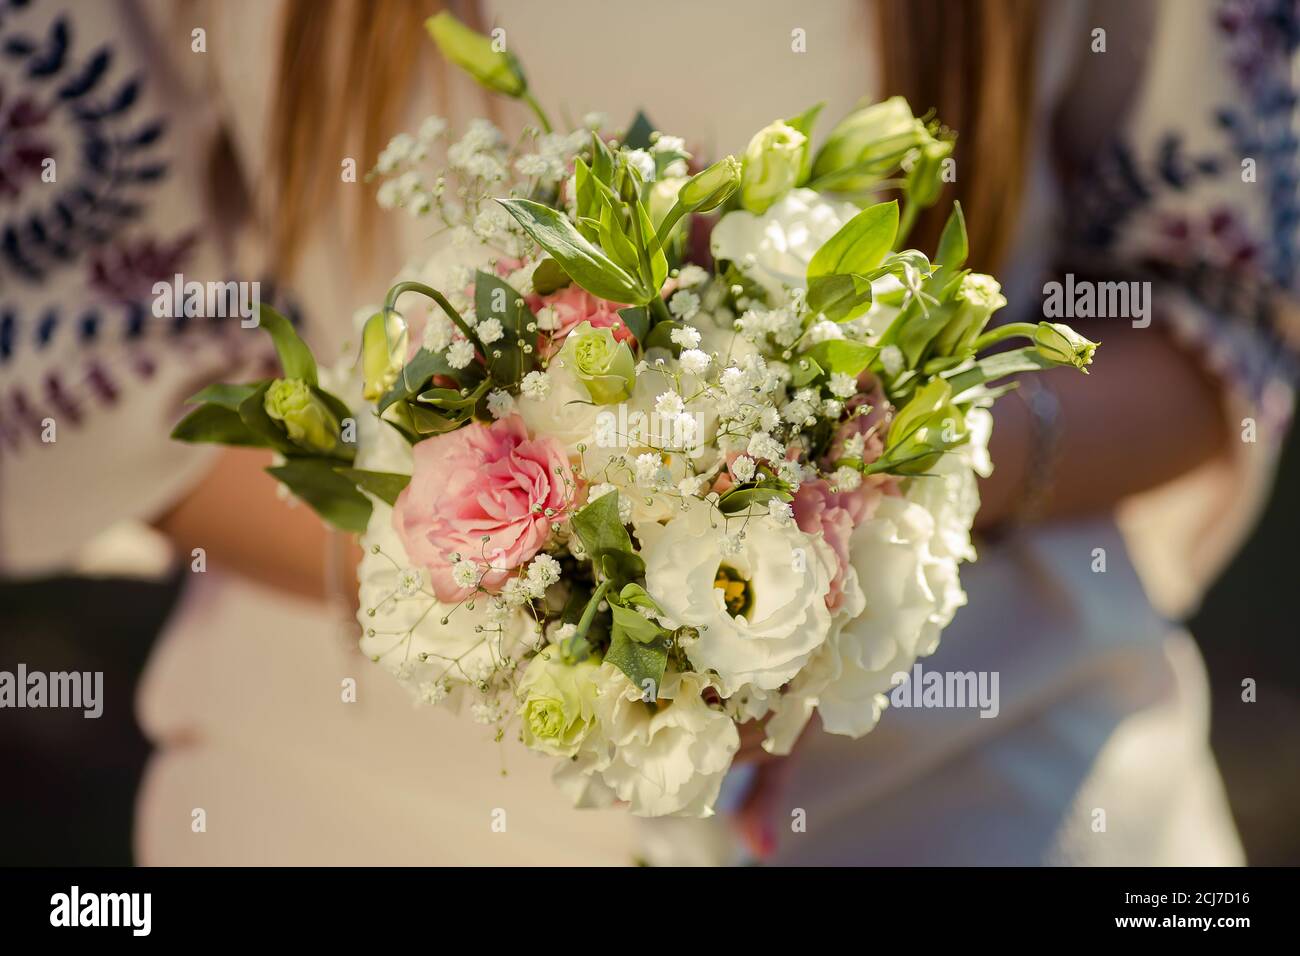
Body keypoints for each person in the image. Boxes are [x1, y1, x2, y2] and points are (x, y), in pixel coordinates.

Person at [3, 0, 1295, 864]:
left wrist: (910, 473)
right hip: (344, 808)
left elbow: (1223, 291)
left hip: (1010, 797)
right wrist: (509, 593)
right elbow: (78, 347)